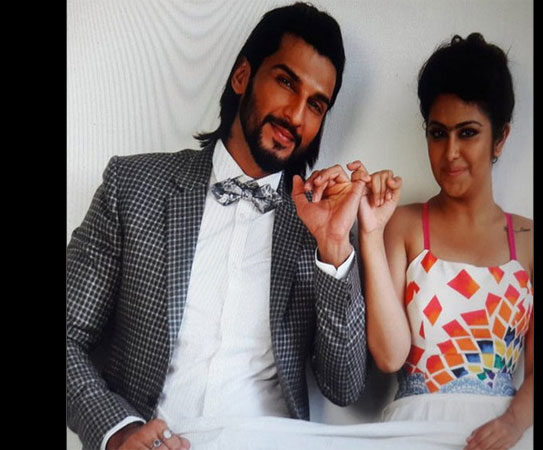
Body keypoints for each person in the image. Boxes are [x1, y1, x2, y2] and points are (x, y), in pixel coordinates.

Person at [66, 3, 369, 450]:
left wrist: (334, 247)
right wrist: (118, 432)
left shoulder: (320, 223)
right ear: (243, 76)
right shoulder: (133, 187)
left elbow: (344, 386)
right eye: (286, 82)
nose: (296, 115)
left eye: (316, 104)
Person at [352, 33, 533, 449]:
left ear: (500, 138)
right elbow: (390, 356)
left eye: (467, 133)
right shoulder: (402, 225)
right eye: (437, 133)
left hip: (502, 434)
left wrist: (513, 424)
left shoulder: (528, 241)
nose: (450, 152)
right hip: (415, 430)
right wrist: (371, 233)